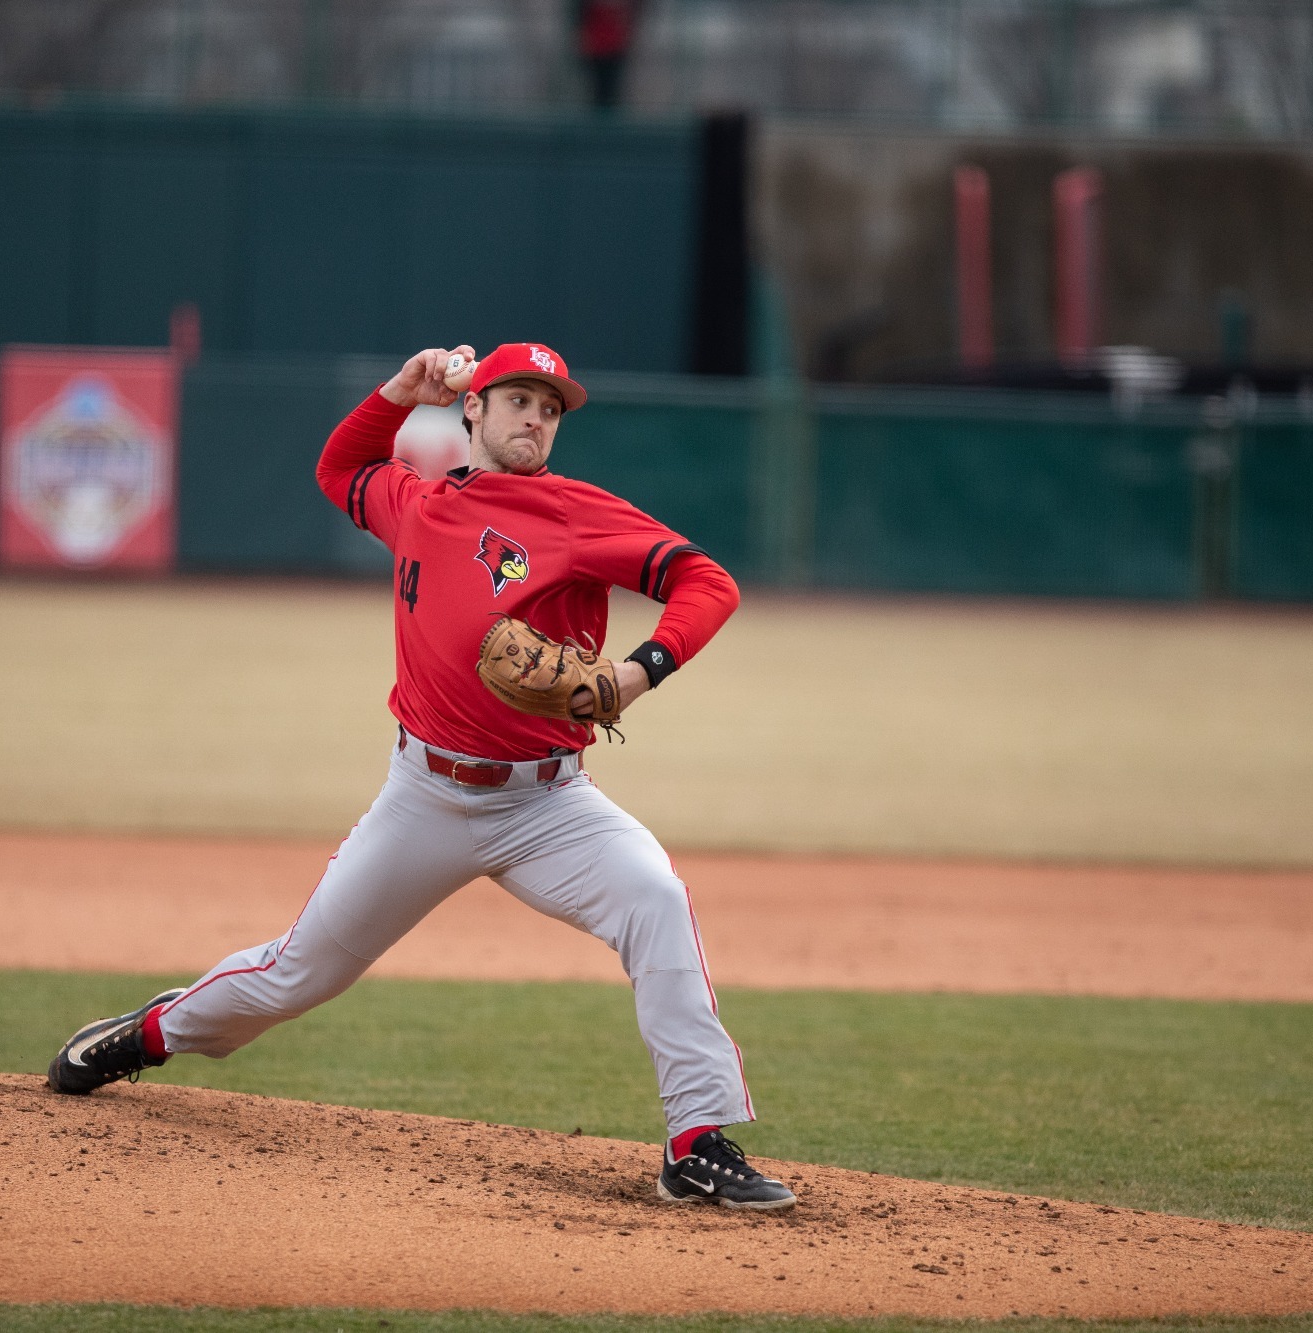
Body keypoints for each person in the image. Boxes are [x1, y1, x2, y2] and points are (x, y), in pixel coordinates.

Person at [45, 341, 794, 1211]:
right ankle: (148, 1034)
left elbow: (707, 581)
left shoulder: (578, 514)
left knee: (655, 900)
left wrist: (638, 670)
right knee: (295, 976)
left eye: (551, 408)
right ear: (471, 409)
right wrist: (399, 393)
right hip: (424, 798)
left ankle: (697, 1141)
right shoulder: (416, 501)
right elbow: (338, 467)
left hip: (549, 802)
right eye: (519, 398)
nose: (537, 418)